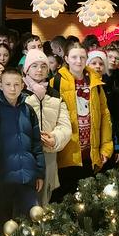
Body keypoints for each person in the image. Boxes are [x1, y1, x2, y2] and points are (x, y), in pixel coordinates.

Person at [0, 69, 45, 235]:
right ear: (1, 85)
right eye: (8, 84)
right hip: (2, 178)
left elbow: (37, 144)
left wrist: (40, 173)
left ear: (23, 85)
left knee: (29, 225)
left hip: (27, 178)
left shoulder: (28, 111)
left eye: (16, 84)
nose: (12, 88)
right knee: (0, 226)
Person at [49, 43, 113, 201]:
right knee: (65, 200)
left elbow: (104, 116)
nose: (78, 61)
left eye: (82, 57)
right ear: (66, 59)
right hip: (66, 154)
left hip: (90, 153)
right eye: (74, 57)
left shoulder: (95, 83)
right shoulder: (55, 82)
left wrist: (106, 147)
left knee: (88, 200)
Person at [22, 49, 70, 204]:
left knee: (44, 202)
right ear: (26, 69)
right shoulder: (19, 92)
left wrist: (55, 138)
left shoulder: (55, 95)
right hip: (25, 155)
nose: (39, 70)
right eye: (34, 66)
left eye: (43, 66)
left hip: (48, 154)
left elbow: (64, 125)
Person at [103, 44, 119, 166]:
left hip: (115, 130)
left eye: (116, 58)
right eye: (110, 57)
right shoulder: (97, 79)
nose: (113, 60)